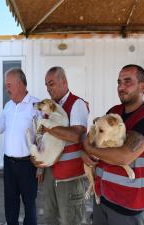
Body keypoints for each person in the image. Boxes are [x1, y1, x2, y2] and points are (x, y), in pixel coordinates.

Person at [83, 64, 144, 225]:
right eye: (119, 82)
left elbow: (124, 156)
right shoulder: (114, 112)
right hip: (102, 197)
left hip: (128, 208)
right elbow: (92, 137)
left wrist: (89, 148)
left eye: (127, 81)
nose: (121, 87)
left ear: (143, 86)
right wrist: (85, 153)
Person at [35, 66, 90, 225]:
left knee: (70, 220)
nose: (48, 88)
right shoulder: (50, 108)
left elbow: (75, 135)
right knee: (50, 218)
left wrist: (48, 128)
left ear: (64, 82)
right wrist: (39, 166)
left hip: (71, 177)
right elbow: (42, 139)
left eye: (51, 83)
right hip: (50, 173)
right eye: (46, 85)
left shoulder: (77, 104)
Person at [0, 68, 41, 225]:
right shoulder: (8, 106)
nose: (6, 88)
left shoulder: (36, 105)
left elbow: (42, 137)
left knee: (29, 204)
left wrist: (41, 166)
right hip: (9, 163)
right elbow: (1, 126)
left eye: (9, 85)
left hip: (28, 164)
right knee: (10, 204)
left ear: (20, 84)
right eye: (6, 85)